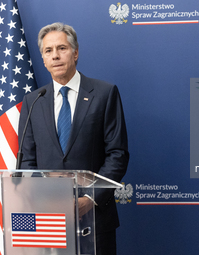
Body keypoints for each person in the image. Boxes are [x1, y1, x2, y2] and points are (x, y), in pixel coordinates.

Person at [18, 22, 129, 255]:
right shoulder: (33, 101)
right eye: (48, 51)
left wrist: (91, 197)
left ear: (75, 52)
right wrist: (42, 199)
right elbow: (26, 159)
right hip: (48, 219)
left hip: (95, 219)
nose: (55, 56)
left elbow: (117, 154)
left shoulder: (104, 93)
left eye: (62, 48)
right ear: (43, 58)